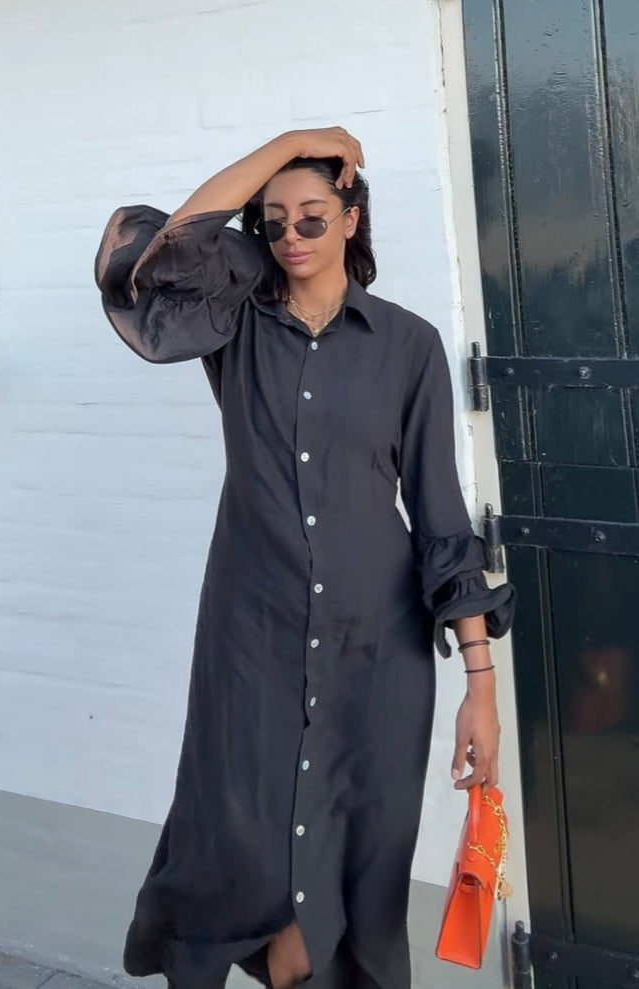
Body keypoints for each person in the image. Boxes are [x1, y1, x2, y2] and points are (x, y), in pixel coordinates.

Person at [94, 127, 516, 989]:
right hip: (253, 641)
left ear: (352, 218)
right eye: (273, 220)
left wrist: (480, 685)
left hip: (379, 653)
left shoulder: (407, 345)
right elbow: (159, 262)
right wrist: (292, 141)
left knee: (360, 887)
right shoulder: (230, 325)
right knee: (256, 869)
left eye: (314, 216)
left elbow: (439, 518)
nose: (291, 235)